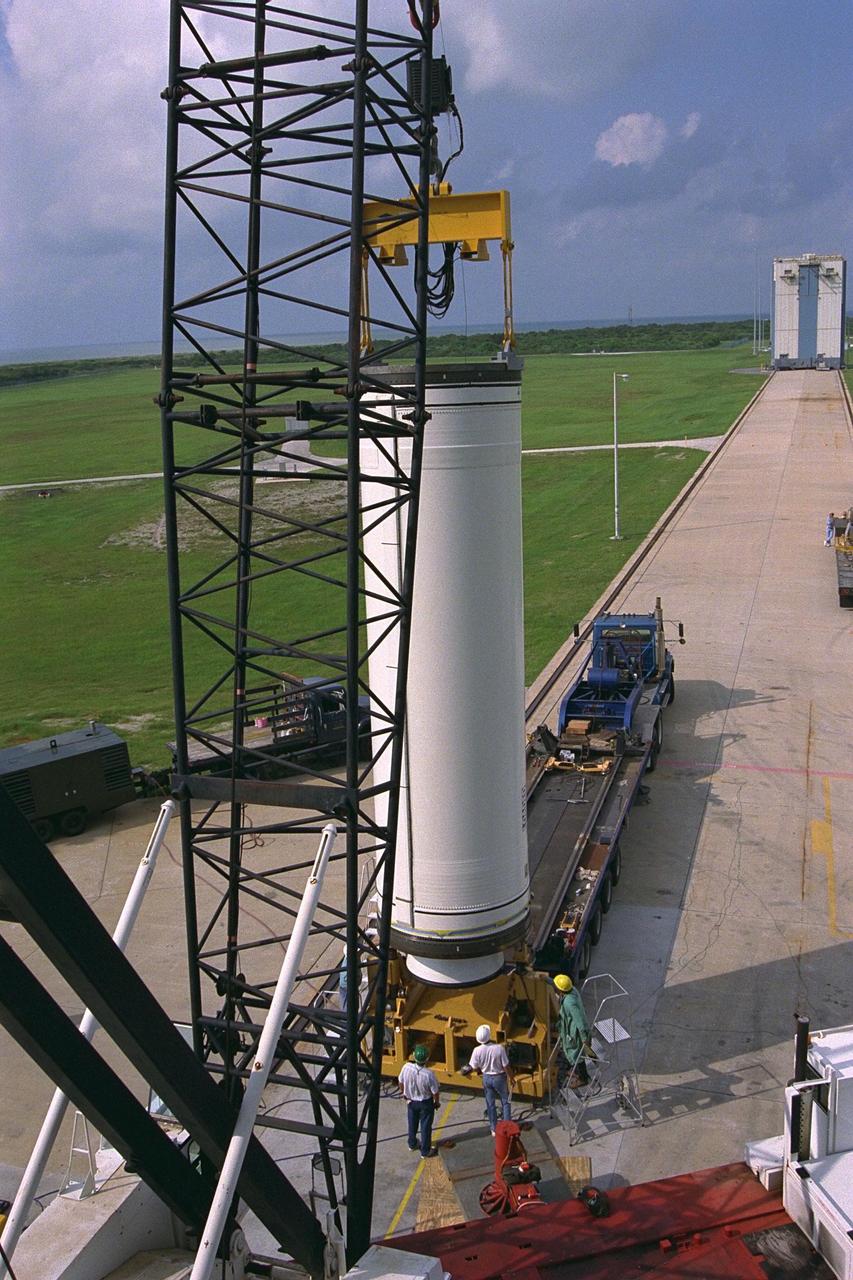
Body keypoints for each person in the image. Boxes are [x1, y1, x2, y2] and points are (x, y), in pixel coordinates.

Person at [461, 1025, 514, 1136]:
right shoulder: (499, 1048)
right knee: (506, 1101)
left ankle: (494, 1129)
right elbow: (506, 1066)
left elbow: (473, 1066)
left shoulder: (477, 1050)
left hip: (486, 1078)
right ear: (489, 1035)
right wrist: (511, 1078)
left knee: (490, 1104)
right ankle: (507, 1127)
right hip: (499, 1078)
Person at [399, 1044, 440, 1158]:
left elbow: (401, 1082)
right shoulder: (429, 1074)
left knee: (412, 1123)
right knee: (425, 1127)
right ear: (427, 1059)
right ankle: (425, 1151)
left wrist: (404, 1094)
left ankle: (412, 1144)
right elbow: (435, 1091)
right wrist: (436, 1103)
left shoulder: (406, 1067)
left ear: (413, 1056)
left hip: (411, 1102)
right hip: (425, 1103)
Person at [554, 974, 594, 1086]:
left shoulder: (569, 1003)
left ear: (561, 990)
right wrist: (544, 978)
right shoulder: (573, 990)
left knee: (576, 1055)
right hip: (570, 1029)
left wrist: (585, 1038)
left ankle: (583, 1078)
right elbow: (557, 983)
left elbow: (579, 1021)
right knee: (571, 1052)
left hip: (574, 1033)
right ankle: (574, 1070)